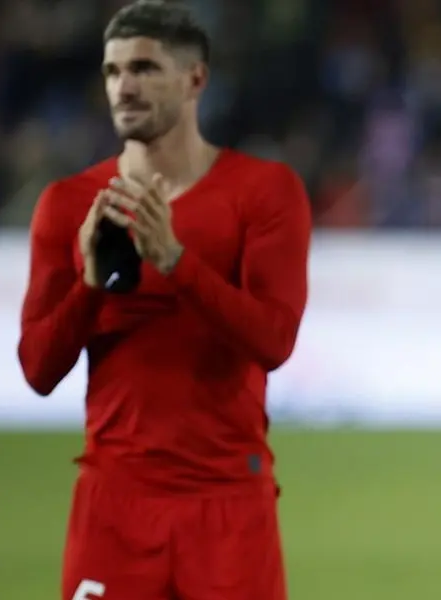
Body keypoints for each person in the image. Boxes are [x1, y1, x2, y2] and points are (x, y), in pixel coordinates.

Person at [16, 2, 311, 599]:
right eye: (112, 71)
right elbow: (38, 370)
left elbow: (273, 342)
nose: (123, 86)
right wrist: (91, 285)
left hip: (228, 501)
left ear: (195, 79)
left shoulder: (263, 192)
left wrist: (176, 261)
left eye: (145, 68)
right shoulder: (68, 204)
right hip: (113, 504)